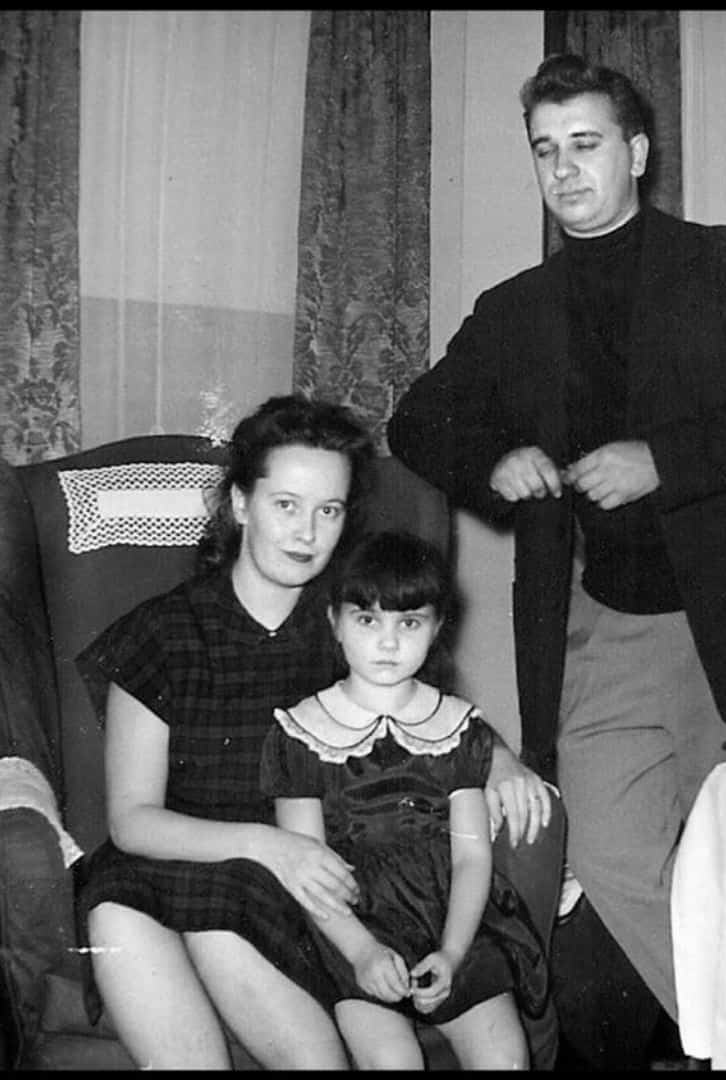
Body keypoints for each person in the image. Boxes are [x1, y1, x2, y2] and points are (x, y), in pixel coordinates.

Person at [386, 53, 726, 1023]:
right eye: (545, 151)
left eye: (584, 144)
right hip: (603, 628)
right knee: (610, 854)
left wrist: (662, 459)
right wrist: (494, 459)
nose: (564, 170)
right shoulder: (516, 312)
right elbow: (417, 421)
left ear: (635, 150)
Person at [73, 394, 557, 1069]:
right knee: (117, 915)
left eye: (328, 510)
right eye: (286, 505)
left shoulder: (348, 625)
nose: (307, 532)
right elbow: (131, 822)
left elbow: (432, 716)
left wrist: (498, 759)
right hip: (176, 859)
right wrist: (270, 846)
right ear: (241, 504)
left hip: (289, 886)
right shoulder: (161, 633)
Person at [262, 530, 547, 1068]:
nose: (388, 643)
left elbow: (471, 856)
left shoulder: (459, 728)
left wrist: (454, 952)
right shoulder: (300, 732)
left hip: (451, 916)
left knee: (506, 1059)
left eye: (409, 623)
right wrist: (363, 952)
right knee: (395, 1064)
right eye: (367, 620)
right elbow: (307, 870)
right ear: (335, 624)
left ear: (438, 628)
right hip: (349, 923)